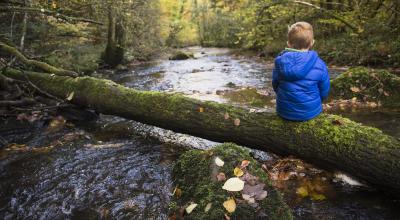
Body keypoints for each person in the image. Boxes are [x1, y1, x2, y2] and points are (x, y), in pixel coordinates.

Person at [272, 21, 330, 121]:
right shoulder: (319, 64)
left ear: (288, 43)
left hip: (284, 111)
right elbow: (324, 90)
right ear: (312, 42)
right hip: (310, 112)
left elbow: (275, 84)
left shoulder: (280, 62)